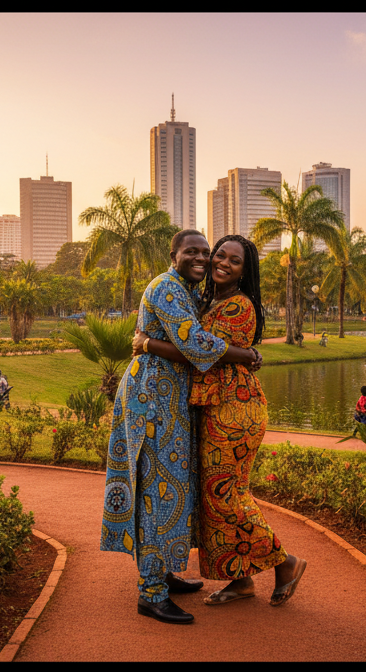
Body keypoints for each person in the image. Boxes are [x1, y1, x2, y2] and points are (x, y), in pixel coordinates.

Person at [102, 229, 262, 626]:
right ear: (173, 253)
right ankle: (151, 593)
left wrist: (147, 341)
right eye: (193, 251)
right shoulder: (167, 289)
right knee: (158, 490)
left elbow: (191, 340)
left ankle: (166, 572)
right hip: (152, 398)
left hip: (171, 399)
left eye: (206, 253)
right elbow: (195, 343)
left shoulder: (188, 290)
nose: (204, 259)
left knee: (174, 486)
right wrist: (247, 354)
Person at [138, 236, 306, 608]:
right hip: (212, 406)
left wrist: (147, 344)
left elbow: (197, 351)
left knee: (225, 495)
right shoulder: (205, 299)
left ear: (245, 272)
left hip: (234, 408)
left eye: (235, 260)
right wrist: (246, 354)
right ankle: (240, 579)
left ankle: (286, 563)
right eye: (220, 255)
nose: (223, 263)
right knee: (215, 499)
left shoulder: (239, 307)